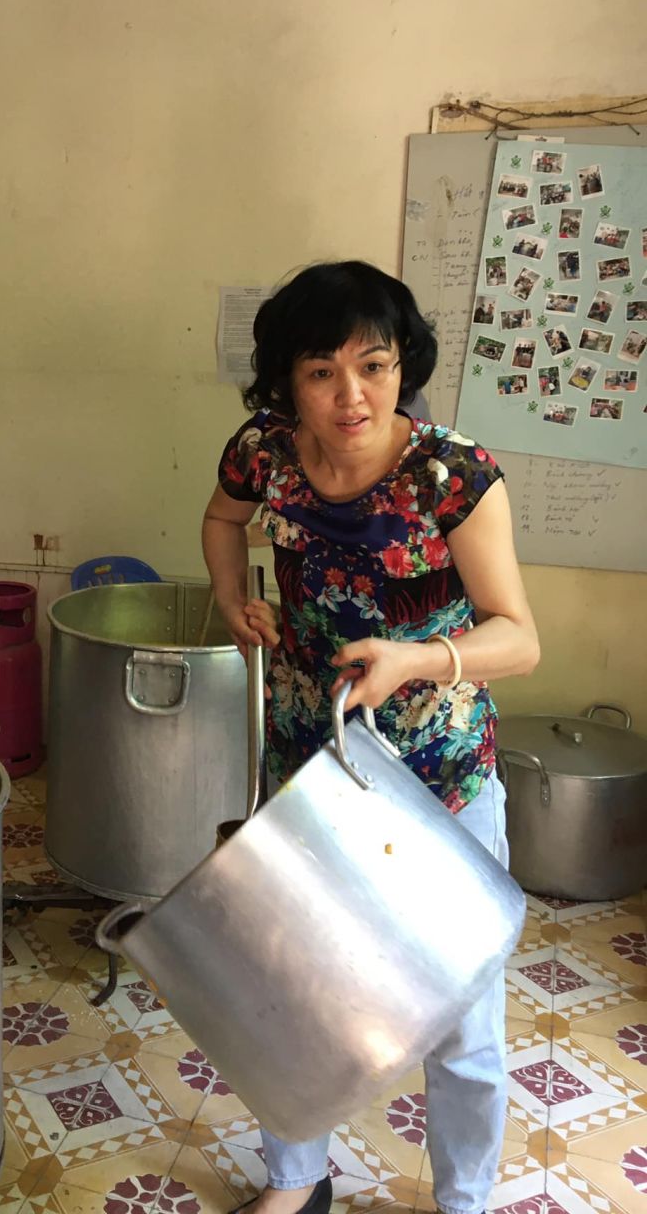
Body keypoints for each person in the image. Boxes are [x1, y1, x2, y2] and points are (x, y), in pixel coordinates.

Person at [201, 261, 539, 1214]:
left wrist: (415, 659)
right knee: (290, 984)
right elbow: (222, 518)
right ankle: (296, 1178)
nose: (351, 396)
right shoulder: (264, 454)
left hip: (438, 777)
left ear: (402, 367)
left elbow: (519, 638)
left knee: (461, 1016)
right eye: (322, 372)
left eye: (374, 366)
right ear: (286, 382)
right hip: (311, 768)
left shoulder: (452, 477)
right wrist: (231, 597)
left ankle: (463, 1199)